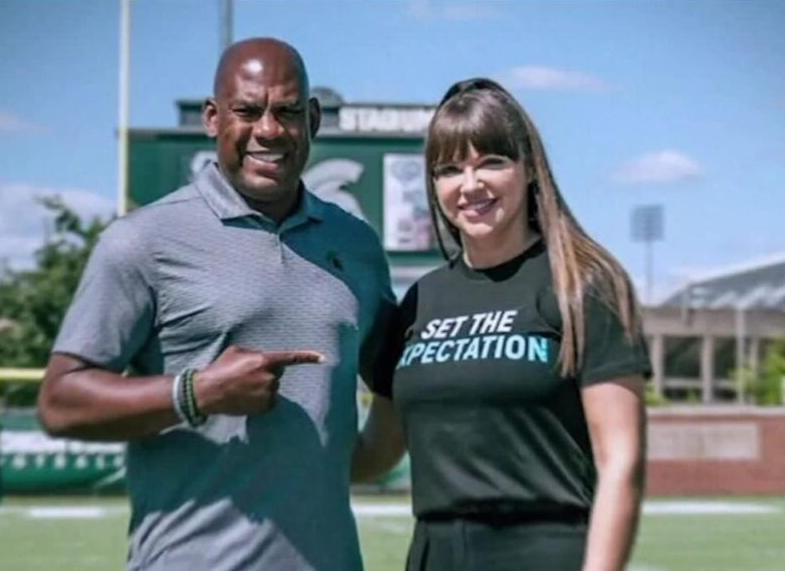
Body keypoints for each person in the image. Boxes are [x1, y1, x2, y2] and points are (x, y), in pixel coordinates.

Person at [38, 37, 396, 571]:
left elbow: (393, 389)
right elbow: (59, 403)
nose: (269, 130)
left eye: (288, 112)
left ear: (313, 119)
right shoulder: (143, 240)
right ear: (212, 118)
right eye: (248, 111)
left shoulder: (356, 245)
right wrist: (198, 391)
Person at [355, 77, 651, 571]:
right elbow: (377, 451)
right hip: (433, 556)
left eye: (491, 162)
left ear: (529, 168)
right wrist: (280, 442)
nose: (470, 185)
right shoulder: (420, 300)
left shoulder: (584, 282)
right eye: (449, 170)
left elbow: (622, 461)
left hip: (548, 552)